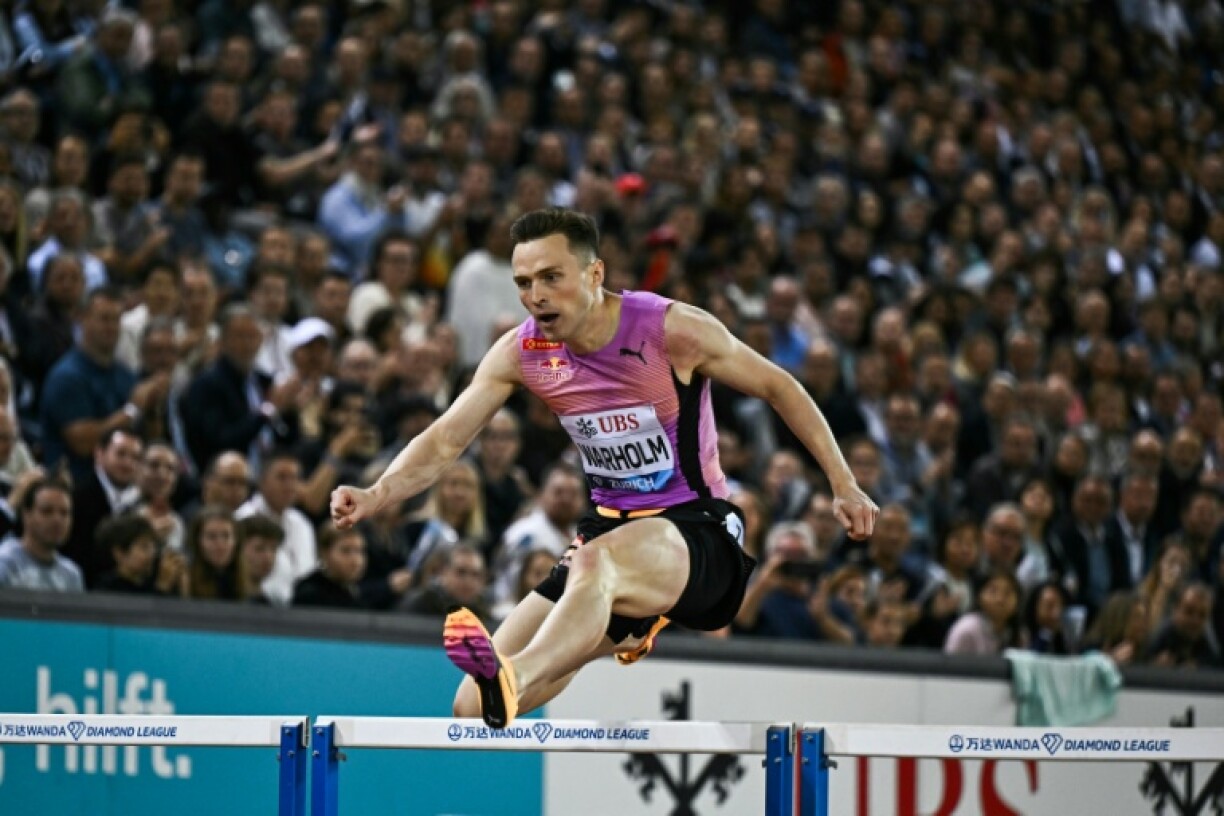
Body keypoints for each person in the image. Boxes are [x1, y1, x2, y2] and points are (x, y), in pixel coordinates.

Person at [331, 209, 878, 729]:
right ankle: (612, 629)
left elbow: (781, 386)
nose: (535, 296)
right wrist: (376, 494)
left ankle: (519, 674)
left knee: (590, 569)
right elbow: (446, 437)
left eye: (550, 277)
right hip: (607, 536)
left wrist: (842, 481)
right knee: (471, 707)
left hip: (697, 533)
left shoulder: (672, 330)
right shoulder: (524, 351)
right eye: (523, 283)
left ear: (595, 273)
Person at [0, 476, 80, 592]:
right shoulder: (5, 565)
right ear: (26, 515)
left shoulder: (72, 575)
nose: (57, 520)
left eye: (64, 513)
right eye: (47, 511)